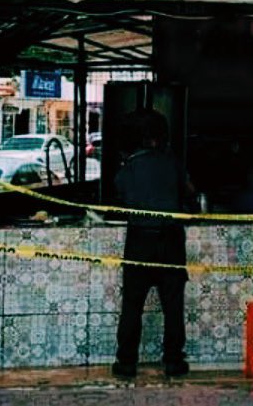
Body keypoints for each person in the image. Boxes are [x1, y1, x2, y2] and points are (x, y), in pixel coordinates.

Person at [111, 108, 196, 379]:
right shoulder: (173, 164)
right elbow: (190, 198)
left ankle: (126, 363)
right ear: (160, 137)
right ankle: (173, 362)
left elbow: (118, 198)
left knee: (132, 306)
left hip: (138, 242)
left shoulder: (128, 168)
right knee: (173, 306)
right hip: (170, 242)